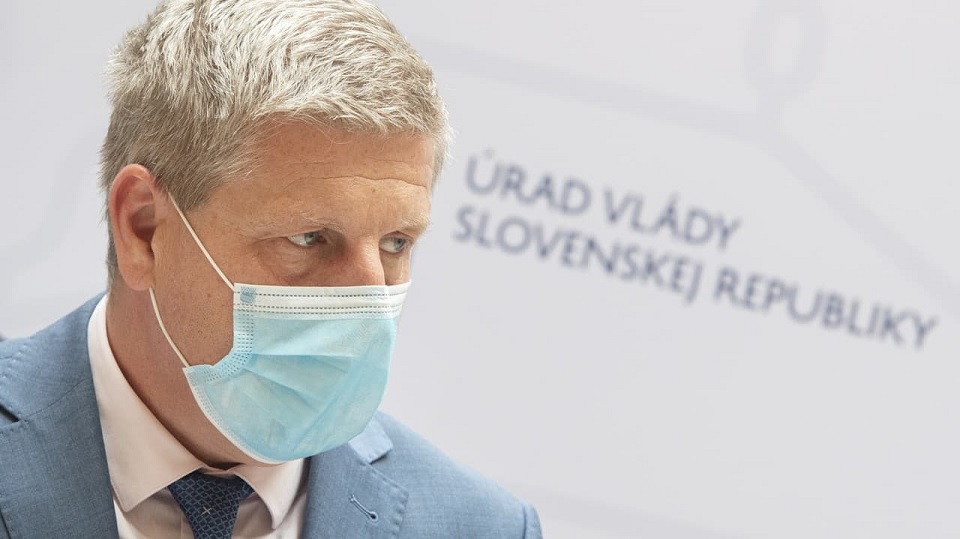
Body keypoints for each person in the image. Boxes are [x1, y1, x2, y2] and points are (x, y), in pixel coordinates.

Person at [0, 1, 541, 537]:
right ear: (143, 229)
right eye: (309, 238)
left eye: (396, 242)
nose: (369, 306)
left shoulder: (481, 527)